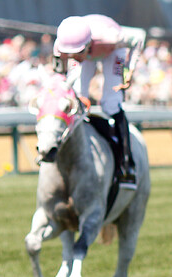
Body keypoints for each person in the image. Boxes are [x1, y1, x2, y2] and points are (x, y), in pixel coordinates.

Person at [53, 15, 145, 186]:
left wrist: (129, 70)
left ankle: (127, 163)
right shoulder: (61, 45)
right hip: (93, 49)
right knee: (78, 96)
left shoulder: (111, 38)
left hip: (111, 50)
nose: (74, 56)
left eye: (78, 52)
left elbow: (138, 38)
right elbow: (59, 78)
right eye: (70, 53)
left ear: (88, 44)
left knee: (111, 101)